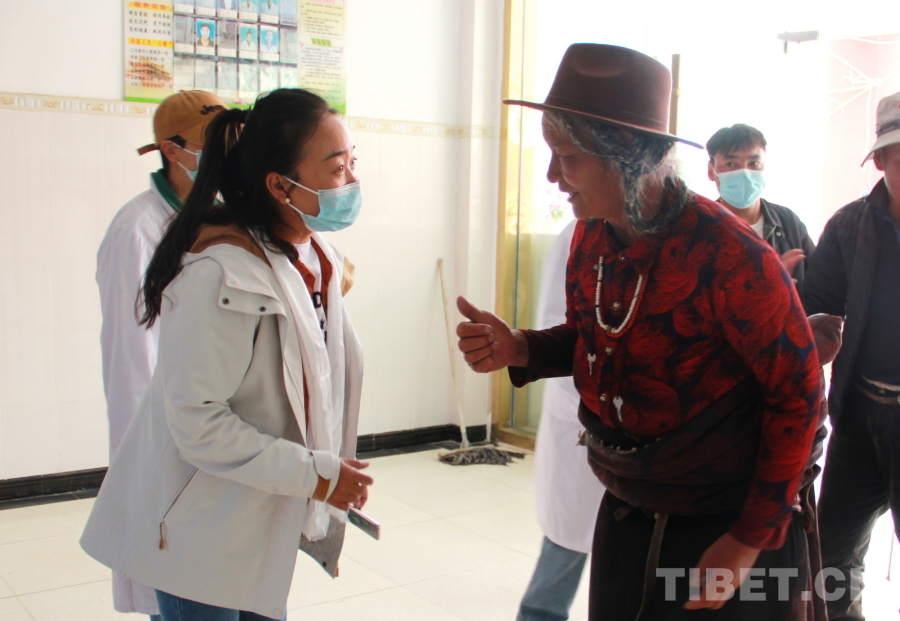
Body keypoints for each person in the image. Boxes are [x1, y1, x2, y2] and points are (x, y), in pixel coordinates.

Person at [457, 44, 826, 619]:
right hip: (628, 505)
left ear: (625, 157)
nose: (552, 176)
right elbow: (595, 339)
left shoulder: (730, 256)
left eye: (566, 156)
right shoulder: (592, 235)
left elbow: (798, 394)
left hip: (726, 525)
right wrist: (521, 347)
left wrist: (748, 540)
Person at [81, 88, 372, 620]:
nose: (352, 181)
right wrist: (317, 474)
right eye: (337, 168)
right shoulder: (221, 271)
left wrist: (321, 471)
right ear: (280, 185)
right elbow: (199, 423)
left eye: (354, 162)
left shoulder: (317, 258)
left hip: (261, 513)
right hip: (198, 525)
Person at [96, 89, 226, 620]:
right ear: (172, 150)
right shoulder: (138, 229)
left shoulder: (224, 217)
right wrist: (151, 461)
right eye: (212, 145)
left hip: (220, 432)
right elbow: (130, 360)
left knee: (220, 577)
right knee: (173, 578)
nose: (226, 156)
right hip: (170, 438)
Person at [803, 90, 900, 621]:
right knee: (831, 562)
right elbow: (813, 310)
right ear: (880, 160)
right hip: (860, 417)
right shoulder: (849, 227)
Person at [517, 220, 605, 621]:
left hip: (646, 434)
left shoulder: (667, 231)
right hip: (581, 421)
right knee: (567, 544)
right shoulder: (578, 234)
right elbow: (556, 327)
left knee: (630, 560)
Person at [706, 124, 816, 284]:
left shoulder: (788, 222)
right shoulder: (699, 227)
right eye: (731, 164)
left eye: (753, 163)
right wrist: (767, 283)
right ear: (711, 171)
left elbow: (819, 284)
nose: (745, 173)